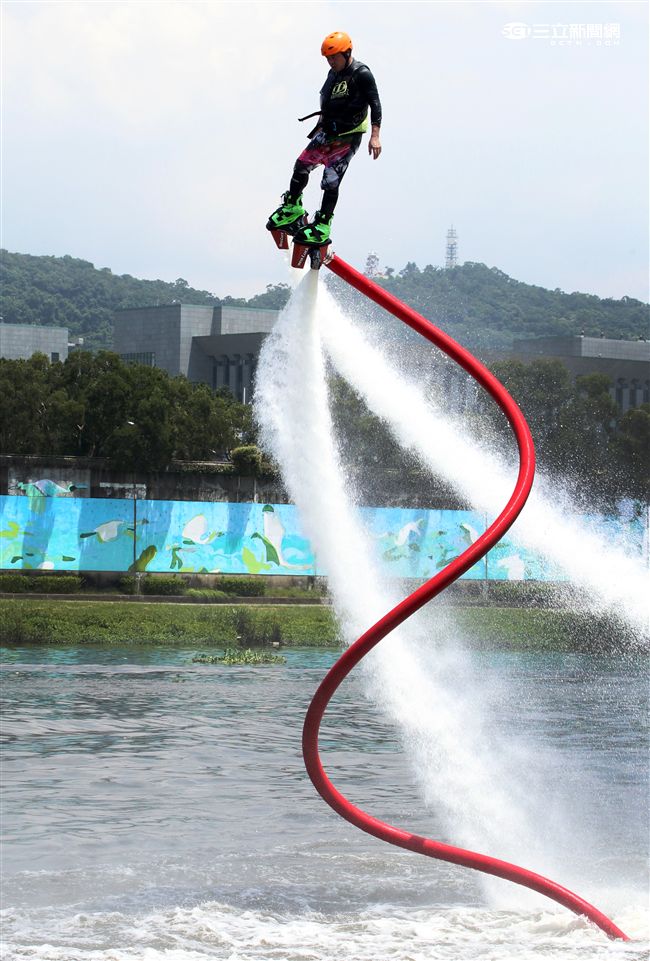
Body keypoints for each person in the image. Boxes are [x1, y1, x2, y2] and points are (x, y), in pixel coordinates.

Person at [267, 31, 382, 246]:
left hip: (349, 135)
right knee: (301, 165)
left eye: (334, 57)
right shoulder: (333, 73)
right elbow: (329, 102)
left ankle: (322, 225)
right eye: (328, 58)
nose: (330, 62)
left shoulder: (362, 73)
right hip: (328, 132)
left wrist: (375, 136)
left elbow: (375, 103)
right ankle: (293, 208)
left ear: (347, 53)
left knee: (330, 180)